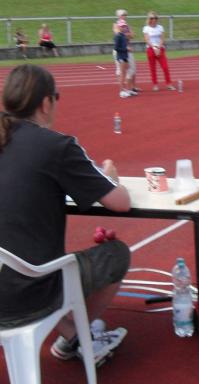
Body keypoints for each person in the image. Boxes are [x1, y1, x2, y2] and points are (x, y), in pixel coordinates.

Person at [0, 64, 131, 364]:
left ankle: (73, 335)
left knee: (24, 258)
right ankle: (80, 336)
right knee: (116, 255)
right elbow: (119, 203)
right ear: (46, 102)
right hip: (28, 294)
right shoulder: (56, 146)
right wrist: (110, 178)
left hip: (8, 279)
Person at [142, 11, 174, 91]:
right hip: (150, 49)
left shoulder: (160, 27)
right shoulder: (146, 28)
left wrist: (158, 48)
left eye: (155, 18)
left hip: (160, 48)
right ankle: (155, 84)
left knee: (165, 67)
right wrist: (154, 48)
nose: (154, 20)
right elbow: (147, 40)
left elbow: (162, 39)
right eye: (152, 18)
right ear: (149, 19)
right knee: (152, 68)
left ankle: (169, 84)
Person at [113, 9, 136, 98]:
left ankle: (128, 89)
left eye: (124, 26)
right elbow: (116, 47)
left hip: (125, 54)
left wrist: (127, 36)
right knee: (122, 72)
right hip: (121, 55)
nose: (123, 27)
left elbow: (132, 35)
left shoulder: (122, 34)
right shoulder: (118, 35)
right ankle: (122, 91)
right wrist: (125, 48)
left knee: (129, 70)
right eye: (121, 26)